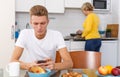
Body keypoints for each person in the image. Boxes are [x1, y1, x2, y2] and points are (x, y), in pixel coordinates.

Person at [10, 5, 73, 70]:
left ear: (48, 22)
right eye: (35, 23)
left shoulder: (56, 35)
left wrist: (54, 65)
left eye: (42, 23)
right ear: (31, 23)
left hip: (49, 72)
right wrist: (28, 65)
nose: (39, 28)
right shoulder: (24, 34)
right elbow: (13, 61)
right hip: (30, 71)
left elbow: (69, 63)